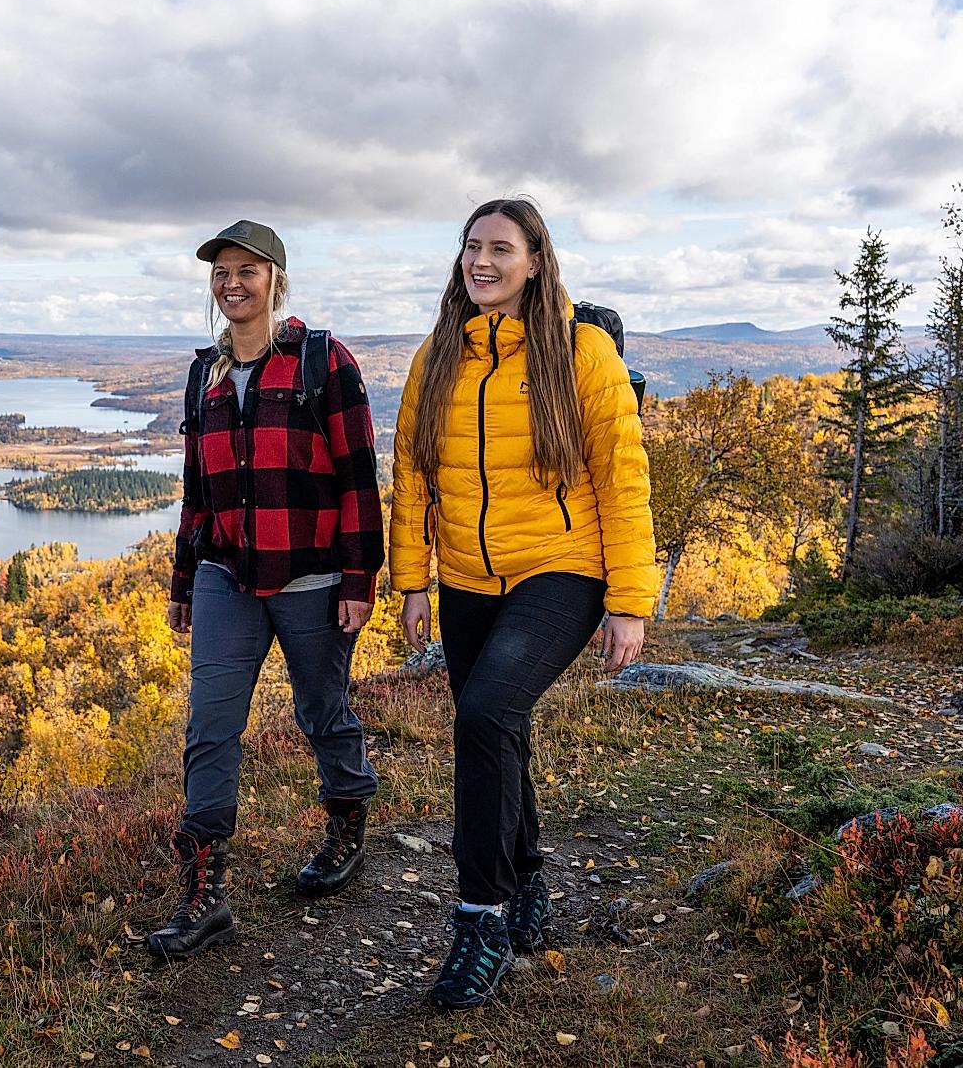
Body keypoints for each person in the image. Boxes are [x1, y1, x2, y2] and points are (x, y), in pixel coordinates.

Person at [388, 198, 657, 1008]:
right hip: (468, 577)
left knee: (485, 713)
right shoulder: (440, 354)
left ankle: (482, 920)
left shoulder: (581, 351)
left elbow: (622, 473)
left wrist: (629, 600)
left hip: (561, 570)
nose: (483, 261)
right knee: (497, 724)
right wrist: (411, 581)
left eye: (501, 248)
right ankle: (531, 885)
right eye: (473, 246)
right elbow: (410, 473)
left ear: (536, 260)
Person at [148, 219, 385, 959]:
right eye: (222, 272)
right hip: (225, 577)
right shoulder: (205, 376)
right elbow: (197, 491)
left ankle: (347, 819)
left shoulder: (322, 361)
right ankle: (205, 893)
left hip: (313, 578)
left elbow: (358, 480)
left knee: (322, 709)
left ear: (277, 280)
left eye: (248, 270)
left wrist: (358, 577)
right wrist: (184, 581)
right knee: (210, 724)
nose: (232, 283)